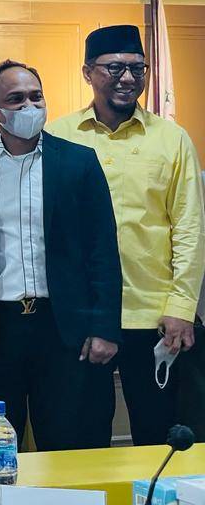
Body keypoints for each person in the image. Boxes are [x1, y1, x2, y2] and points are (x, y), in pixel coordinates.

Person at [0, 60, 122, 450]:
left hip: (64, 330)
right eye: (16, 99)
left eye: (36, 96)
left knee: (67, 443)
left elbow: (103, 251)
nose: (29, 106)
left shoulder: (78, 162)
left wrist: (105, 327)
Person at [48, 26, 205, 446]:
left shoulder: (171, 138)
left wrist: (182, 308)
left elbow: (189, 228)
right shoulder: (59, 137)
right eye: (115, 68)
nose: (128, 78)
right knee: (81, 441)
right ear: (88, 72)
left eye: (138, 68)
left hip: (155, 317)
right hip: (82, 316)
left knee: (160, 440)